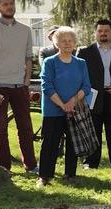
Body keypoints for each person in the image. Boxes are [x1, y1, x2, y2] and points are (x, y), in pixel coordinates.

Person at [0, 0, 38, 174]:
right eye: (5, 4)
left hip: (20, 86)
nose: (9, 7)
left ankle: (31, 165)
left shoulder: (25, 30)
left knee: (26, 127)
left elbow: (29, 57)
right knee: (0, 128)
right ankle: (4, 167)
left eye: (11, 3)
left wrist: (27, 81)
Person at [37, 26, 94, 186]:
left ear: (75, 43)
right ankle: (44, 176)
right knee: (49, 144)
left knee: (72, 143)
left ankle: (70, 174)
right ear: (57, 43)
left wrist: (71, 103)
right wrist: (62, 104)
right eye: (63, 41)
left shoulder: (81, 63)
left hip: (74, 109)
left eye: (70, 41)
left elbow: (86, 87)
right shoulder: (50, 62)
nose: (67, 44)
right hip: (52, 110)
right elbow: (46, 86)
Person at [79, 19, 111, 169]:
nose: (103, 33)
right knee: (93, 130)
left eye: (106, 31)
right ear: (95, 33)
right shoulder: (85, 52)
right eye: (100, 31)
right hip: (92, 95)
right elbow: (80, 76)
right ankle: (90, 162)